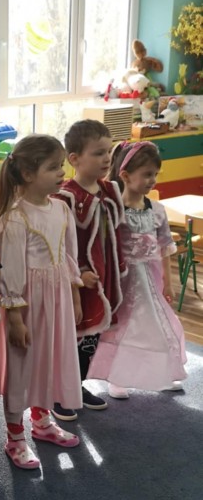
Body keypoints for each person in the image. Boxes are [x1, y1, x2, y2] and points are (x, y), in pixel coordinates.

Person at [0, 135, 84, 469]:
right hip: (28, 305)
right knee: (23, 366)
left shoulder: (61, 208)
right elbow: (11, 274)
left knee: (49, 360)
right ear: (28, 174)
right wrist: (15, 320)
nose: (62, 173)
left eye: (62, 166)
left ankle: (42, 421)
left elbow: (69, 258)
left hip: (57, 301)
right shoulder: (15, 219)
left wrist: (75, 298)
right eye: (53, 167)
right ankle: (15, 437)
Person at [88, 140, 187, 394]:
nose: (152, 180)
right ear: (125, 175)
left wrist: (168, 283)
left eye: (155, 174)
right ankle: (117, 378)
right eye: (146, 175)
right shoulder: (113, 210)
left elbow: (164, 248)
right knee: (124, 327)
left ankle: (163, 373)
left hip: (151, 280)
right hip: (124, 281)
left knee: (156, 325)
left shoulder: (158, 210)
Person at [54, 119, 125, 420]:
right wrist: (77, 274)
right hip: (77, 280)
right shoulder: (65, 197)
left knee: (92, 335)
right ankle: (59, 392)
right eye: (98, 153)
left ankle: (78, 385)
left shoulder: (109, 190)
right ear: (74, 159)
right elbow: (60, 245)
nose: (106, 158)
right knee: (72, 336)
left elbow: (116, 234)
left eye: (109, 151)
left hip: (102, 277)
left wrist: (119, 269)